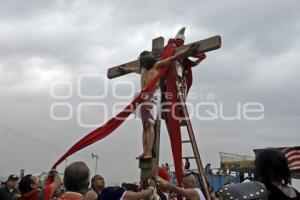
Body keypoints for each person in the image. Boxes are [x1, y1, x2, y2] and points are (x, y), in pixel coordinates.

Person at [123, 44, 198, 159]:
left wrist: (186, 51)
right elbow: (132, 69)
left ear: (148, 58)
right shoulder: (142, 69)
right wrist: (124, 69)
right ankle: (145, 151)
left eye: (143, 59)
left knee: (150, 124)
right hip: (143, 95)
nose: (142, 62)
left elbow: (172, 58)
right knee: (145, 126)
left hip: (154, 94)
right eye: (141, 60)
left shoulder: (157, 65)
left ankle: (149, 152)